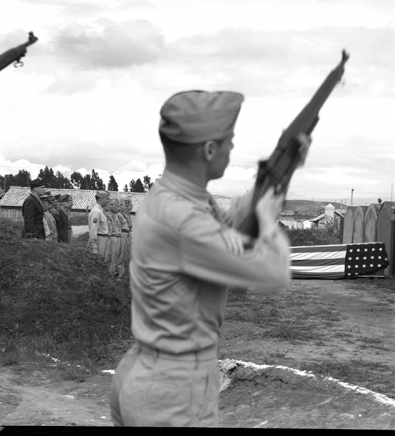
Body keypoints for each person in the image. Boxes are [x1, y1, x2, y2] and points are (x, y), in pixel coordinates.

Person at [110, 89, 301, 428]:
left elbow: (226, 228)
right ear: (210, 150)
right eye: (229, 140)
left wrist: (279, 174)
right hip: (173, 393)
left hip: (152, 373)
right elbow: (273, 271)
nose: (232, 147)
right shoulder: (183, 216)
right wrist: (270, 220)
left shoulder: (175, 197)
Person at [88, 190, 111, 265]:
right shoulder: (96, 212)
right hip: (100, 240)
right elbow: (93, 230)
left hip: (104, 239)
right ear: (101, 199)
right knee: (98, 262)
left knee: (102, 262)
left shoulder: (101, 211)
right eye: (107, 199)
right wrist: (94, 247)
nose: (108, 201)